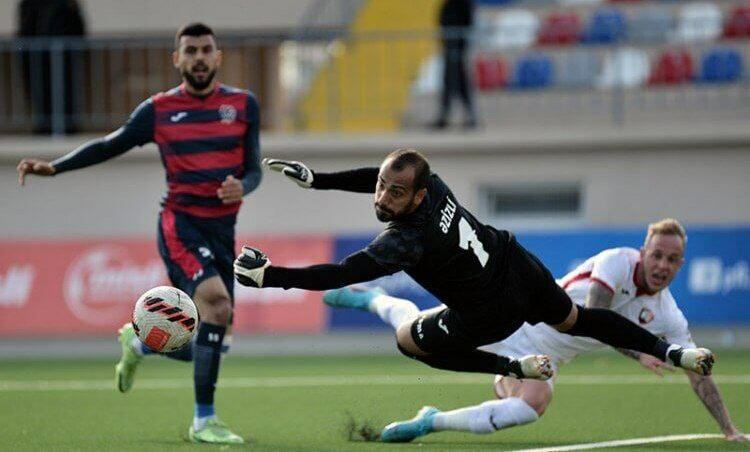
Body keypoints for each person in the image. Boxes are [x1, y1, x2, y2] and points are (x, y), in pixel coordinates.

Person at [234, 150, 713, 384]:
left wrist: (270, 276)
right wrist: (317, 180)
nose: (381, 198)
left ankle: (511, 367)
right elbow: (382, 175)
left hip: (490, 311)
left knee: (408, 342)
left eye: (394, 193)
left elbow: (339, 273)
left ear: (417, 197)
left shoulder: (404, 240)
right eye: (381, 187)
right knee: (578, 319)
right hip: (517, 263)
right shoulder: (433, 183)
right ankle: (674, 353)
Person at [16, 22, 260, 445]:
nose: (199, 57)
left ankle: (141, 343)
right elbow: (109, 144)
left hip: (223, 231)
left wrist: (245, 186)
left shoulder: (243, 104)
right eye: (190, 51)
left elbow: (254, 169)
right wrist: (55, 167)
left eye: (206, 50)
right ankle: (204, 421)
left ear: (218, 57)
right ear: (177, 59)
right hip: (181, 225)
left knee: (215, 341)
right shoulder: (159, 110)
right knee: (217, 306)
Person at [324, 219, 747, 443]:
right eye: (657, 255)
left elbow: (698, 372)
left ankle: (430, 422)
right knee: (415, 333)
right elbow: (594, 316)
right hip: (511, 317)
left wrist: (728, 429)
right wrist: (639, 352)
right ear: (644, 251)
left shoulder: (668, 314)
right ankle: (373, 298)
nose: (662, 266)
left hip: (542, 358)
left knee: (531, 407)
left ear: (680, 265)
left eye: (672, 260)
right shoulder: (617, 262)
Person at [16, 0, 86, 134]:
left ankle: (66, 125)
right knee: (40, 90)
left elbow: (78, 29)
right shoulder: (29, 4)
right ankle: (45, 124)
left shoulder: (66, 4)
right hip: (37, 58)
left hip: (63, 57)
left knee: (64, 89)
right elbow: (25, 29)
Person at [432, 0, 477, 129]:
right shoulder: (449, 4)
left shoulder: (463, 3)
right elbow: (442, 20)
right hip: (450, 45)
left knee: (459, 82)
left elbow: (467, 22)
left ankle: (465, 115)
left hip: (458, 46)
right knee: (452, 81)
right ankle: (447, 115)